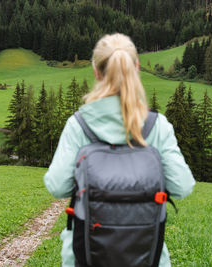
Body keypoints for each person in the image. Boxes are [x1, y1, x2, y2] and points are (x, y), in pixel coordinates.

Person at [44, 33, 195, 267]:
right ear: (136, 67)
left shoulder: (80, 124)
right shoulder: (156, 125)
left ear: (96, 71)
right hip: (146, 258)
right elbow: (183, 186)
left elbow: (57, 186)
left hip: (86, 257)